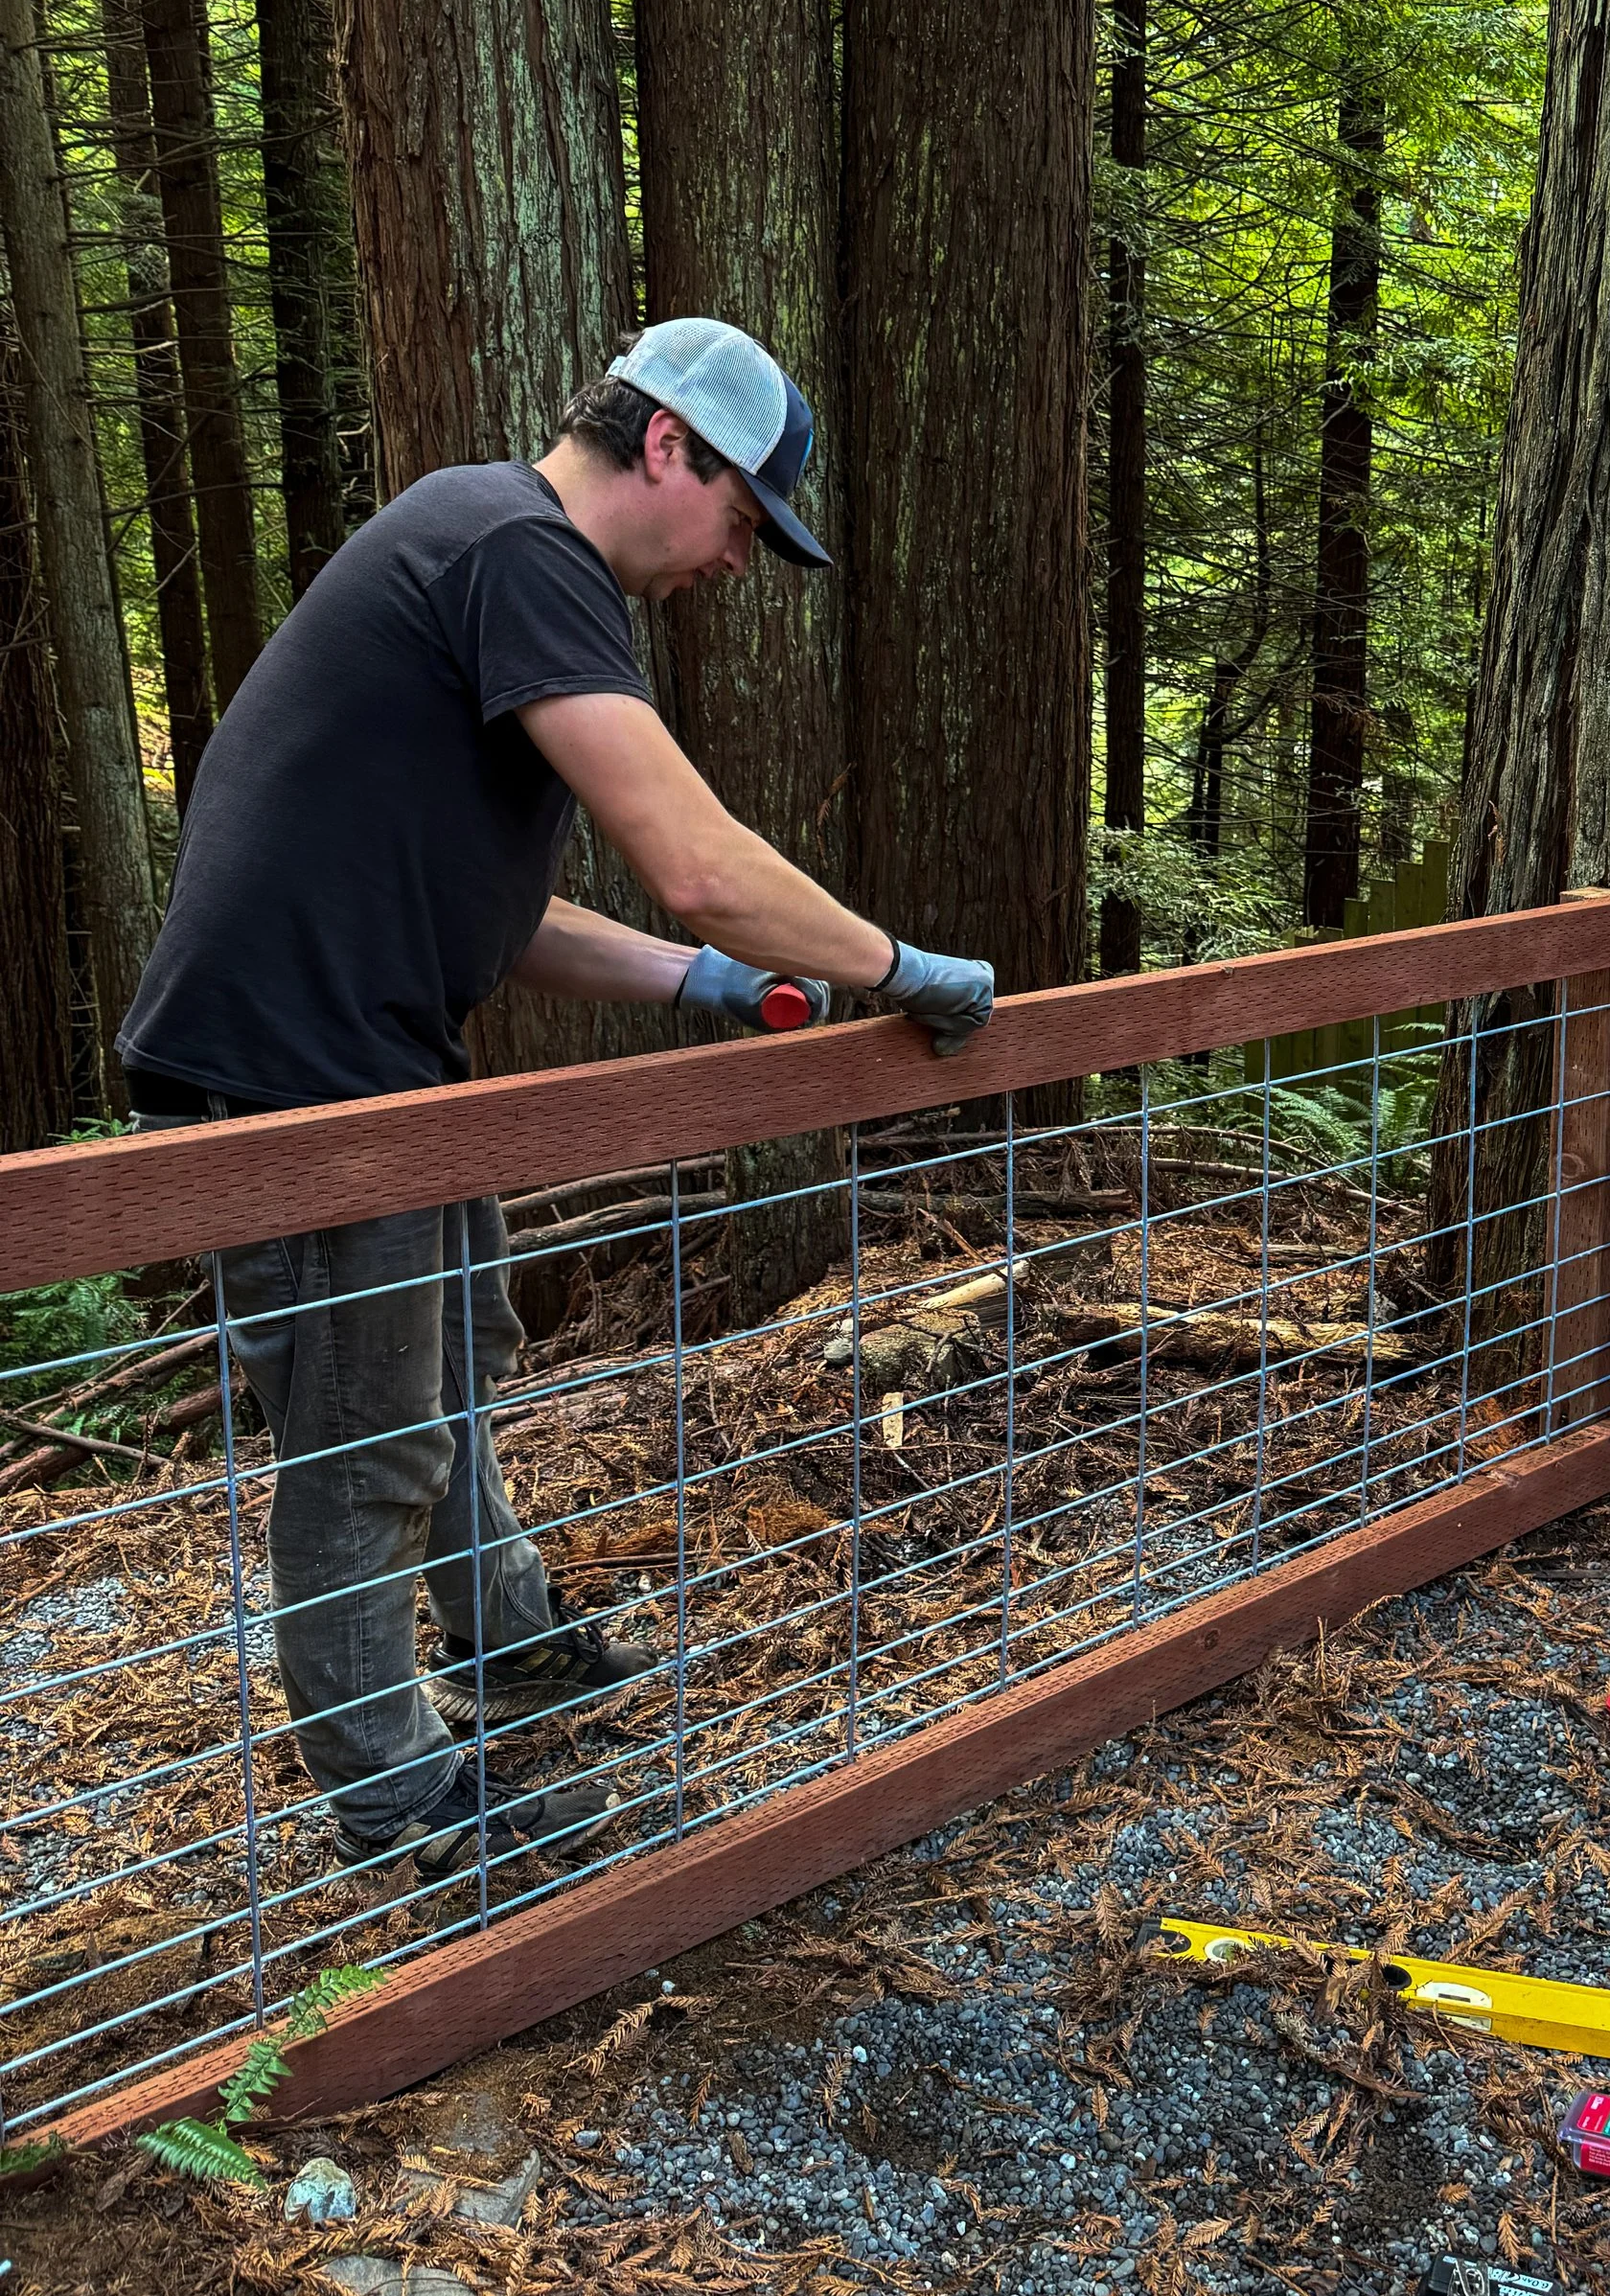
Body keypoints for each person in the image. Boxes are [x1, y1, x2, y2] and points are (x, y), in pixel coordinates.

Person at [117, 318, 994, 1885]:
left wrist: (696, 985)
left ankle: (504, 1642)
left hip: (368, 1055)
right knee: (365, 1422)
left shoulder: (479, 544)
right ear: (670, 446)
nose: (739, 563)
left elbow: (488, 913)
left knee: (454, 1354)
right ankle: (388, 1794)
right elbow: (702, 865)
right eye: (744, 520)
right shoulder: (519, 549)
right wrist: (898, 964)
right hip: (298, 1075)